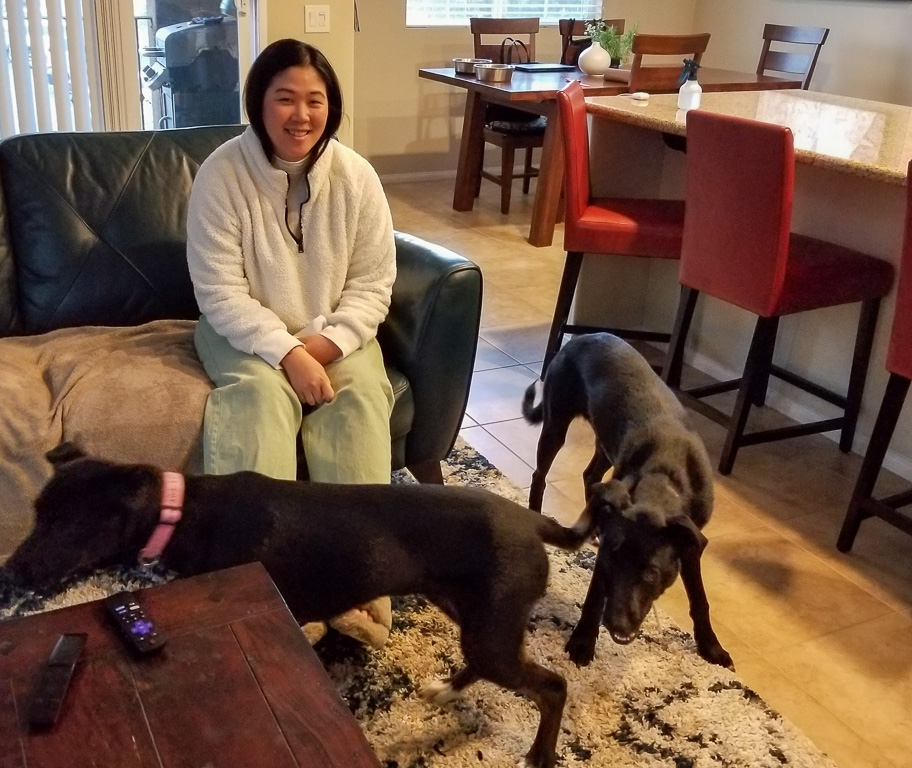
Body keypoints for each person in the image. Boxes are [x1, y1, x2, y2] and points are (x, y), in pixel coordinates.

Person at [186, 39, 396, 647]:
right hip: (243, 331)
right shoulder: (221, 175)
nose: (300, 115)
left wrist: (323, 349)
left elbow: (373, 283)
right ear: (259, 103)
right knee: (257, 400)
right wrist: (286, 353)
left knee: (356, 401)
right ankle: (262, 589)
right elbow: (220, 293)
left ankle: (357, 585)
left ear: (330, 107)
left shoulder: (358, 178)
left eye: (315, 100)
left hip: (336, 334)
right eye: (285, 98)